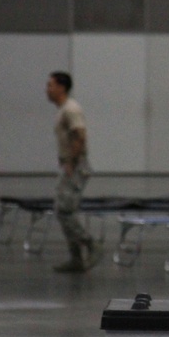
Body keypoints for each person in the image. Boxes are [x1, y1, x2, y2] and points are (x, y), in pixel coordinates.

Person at [46, 71, 101, 273]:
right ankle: (76, 258)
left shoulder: (71, 109)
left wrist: (70, 161)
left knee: (65, 211)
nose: (47, 89)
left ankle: (90, 244)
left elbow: (80, 136)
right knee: (63, 209)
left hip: (75, 166)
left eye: (50, 85)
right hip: (69, 164)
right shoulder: (63, 110)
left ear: (62, 87)